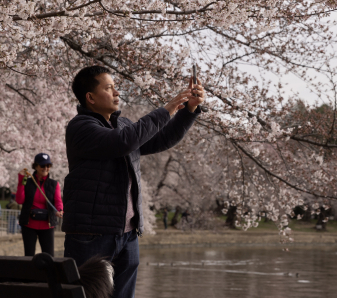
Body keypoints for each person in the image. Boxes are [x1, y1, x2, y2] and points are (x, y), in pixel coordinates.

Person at [62, 65, 205, 298]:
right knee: (86, 295)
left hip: (127, 233)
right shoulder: (81, 127)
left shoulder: (124, 125)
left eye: (115, 87)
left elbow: (162, 138)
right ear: (90, 98)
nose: (117, 93)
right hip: (92, 234)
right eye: (109, 88)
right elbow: (124, 142)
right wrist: (167, 108)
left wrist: (188, 109)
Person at [15, 153, 64, 256]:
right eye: (42, 166)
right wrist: (21, 181)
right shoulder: (27, 182)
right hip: (29, 224)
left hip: (47, 225)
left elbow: (58, 200)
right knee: (29, 256)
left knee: (49, 256)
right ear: (36, 166)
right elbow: (19, 200)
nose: (45, 168)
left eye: (48, 166)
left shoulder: (54, 184)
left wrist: (59, 210)